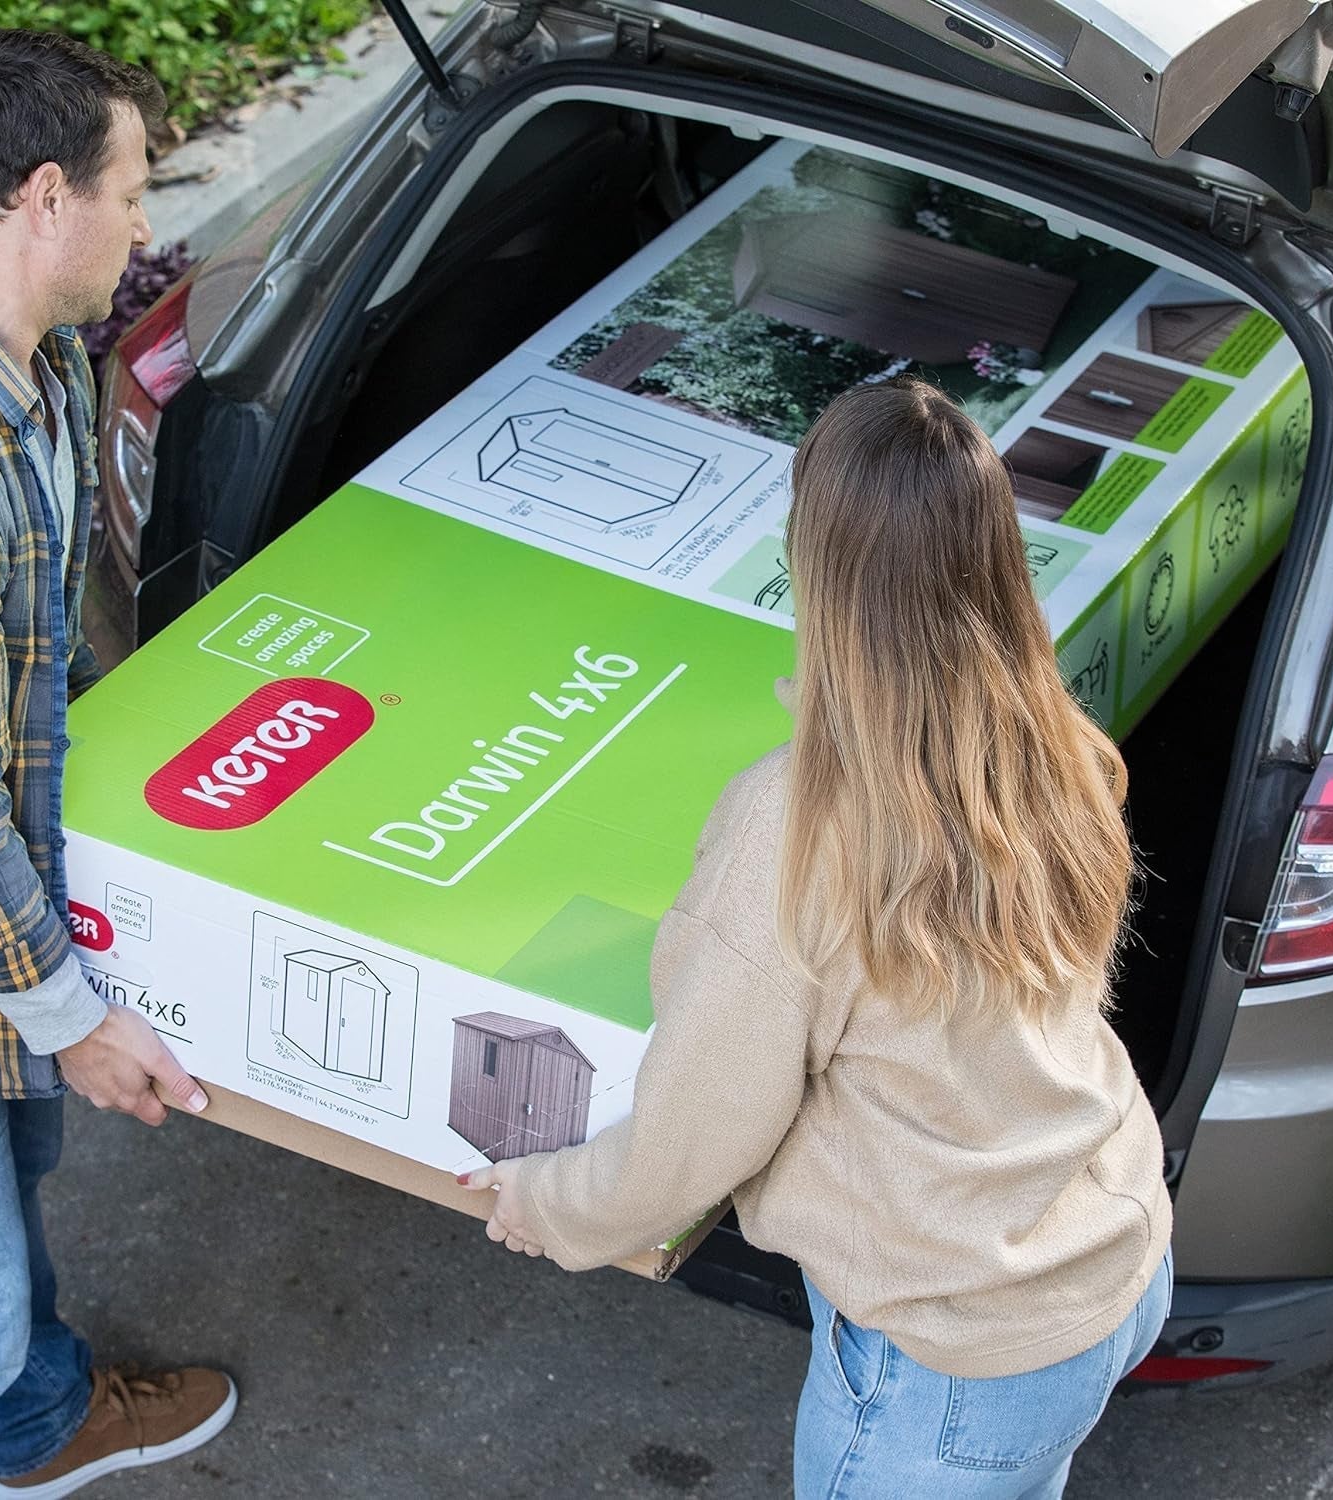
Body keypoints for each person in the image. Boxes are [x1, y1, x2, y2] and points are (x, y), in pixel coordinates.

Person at [460, 379, 1173, 1498]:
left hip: (951, 1360)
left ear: (818, 571)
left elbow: (694, 1139)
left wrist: (542, 1202)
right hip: (1111, 1255)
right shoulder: (1051, 747)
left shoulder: (792, 835)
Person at [0, 29, 236, 1499]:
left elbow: (34, 678)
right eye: (131, 190)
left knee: (8, 1193)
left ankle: (39, 1425)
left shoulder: (30, 377)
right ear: (42, 196)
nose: (143, 225)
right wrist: (71, 1012)